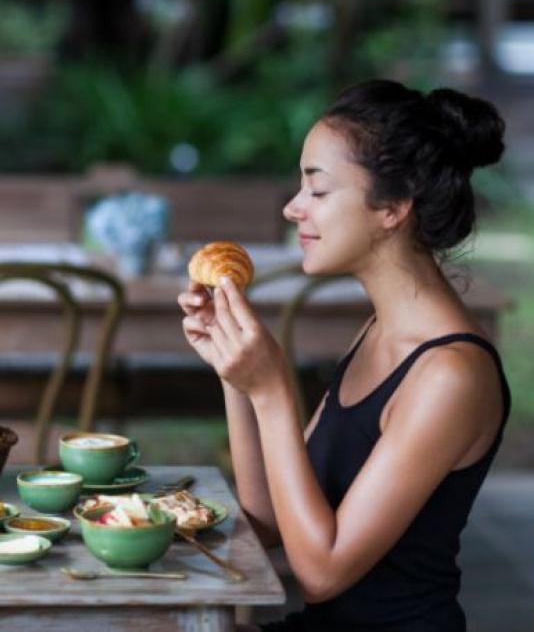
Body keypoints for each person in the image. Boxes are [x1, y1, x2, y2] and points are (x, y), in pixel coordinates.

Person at [178, 80, 510, 631]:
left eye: (318, 190)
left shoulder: (451, 375)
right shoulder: (379, 332)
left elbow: (321, 572)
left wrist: (273, 388)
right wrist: (235, 374)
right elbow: (268, 523)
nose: (292, 208)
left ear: (394, 208)